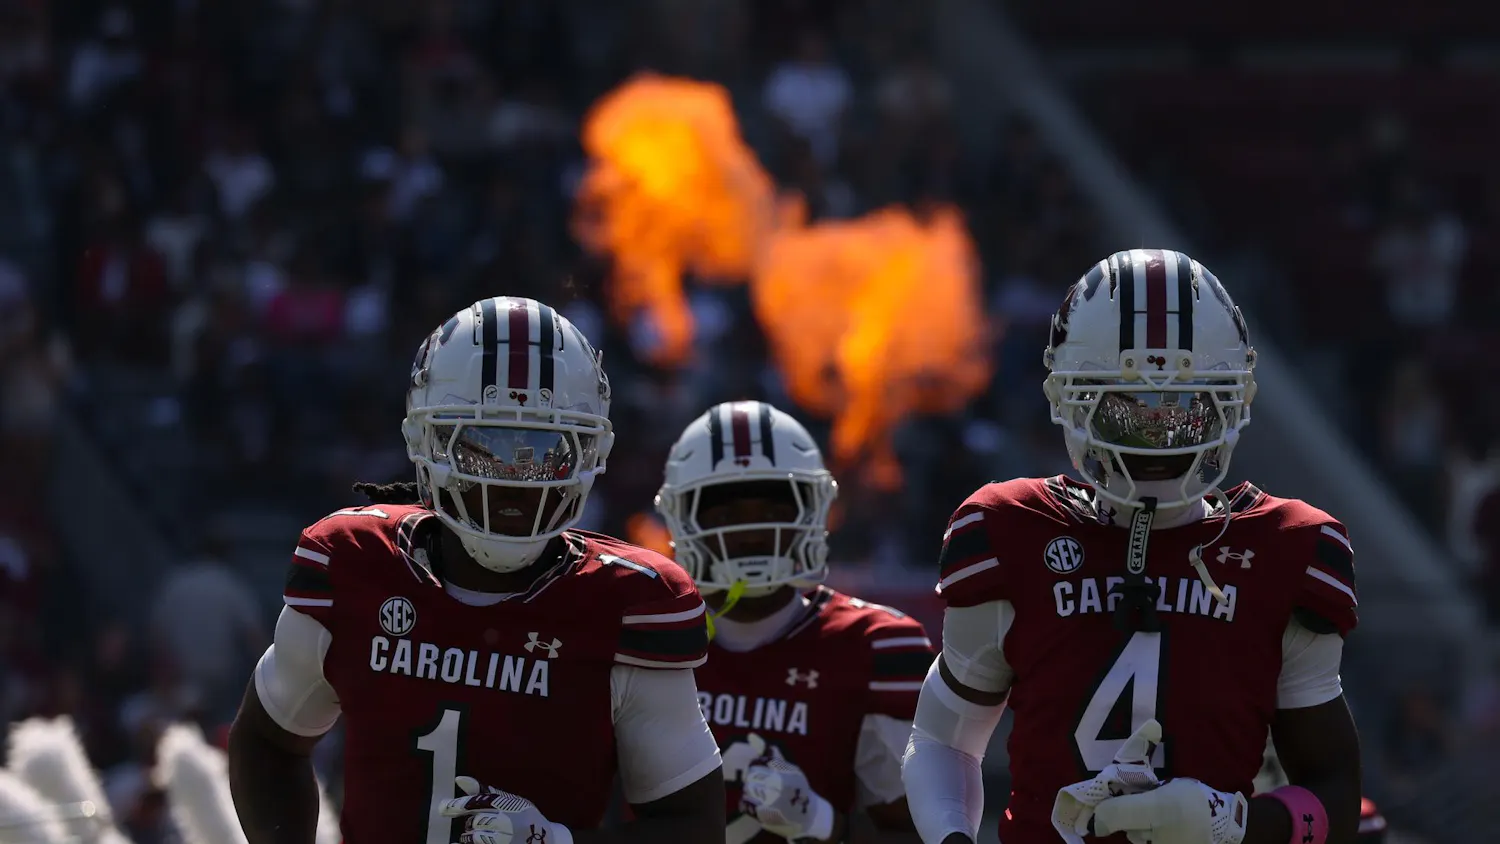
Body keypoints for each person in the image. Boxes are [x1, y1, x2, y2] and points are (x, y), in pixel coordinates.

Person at [901, 250, 1363, 844]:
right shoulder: (1011, 528)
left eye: (1184, 412)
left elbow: (1334, 796)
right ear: (1069, 400)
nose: (1157, 436)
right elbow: (944, 739)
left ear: (1233, 401)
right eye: (1127, 411)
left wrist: (1234, 825)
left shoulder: (1287, 547)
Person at [227, 296, 725, 844]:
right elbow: (268, 741)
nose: (512, 476)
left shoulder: (629, 604)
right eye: (483, 447)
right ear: (426, 441)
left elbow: (693, 826)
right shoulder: (354, 564)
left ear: (589, 452)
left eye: (543, 450)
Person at [656, 401, 932, 843]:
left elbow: (917, 831)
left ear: (813, 511)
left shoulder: (877, 645)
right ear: (682, 517)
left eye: (772, 511)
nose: (749, 534)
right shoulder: (642, 632)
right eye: (725, 514)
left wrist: (821, 823)